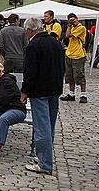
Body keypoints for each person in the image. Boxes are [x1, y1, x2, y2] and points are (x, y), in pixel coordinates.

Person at [21, 16, 65, 175]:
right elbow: (63, 67)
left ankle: (45, 163)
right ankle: (43, 156)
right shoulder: (56, 42)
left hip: (39, 91)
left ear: (29, 30)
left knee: (41, 128)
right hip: (55, 89)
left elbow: (30, 72)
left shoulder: (33, 45)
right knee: (50, 126)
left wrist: (25, 91)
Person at [60, 13, 87, 103]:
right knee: (69, 76)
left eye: (73, 19)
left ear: (77, 19)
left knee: (79, 75)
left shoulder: (81, 28)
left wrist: (69, 25)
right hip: (69, 54)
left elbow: (68, 35)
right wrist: (70, 25)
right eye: (70, 20)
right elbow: (67, 37)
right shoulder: (72, 27)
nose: (72, 21)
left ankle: (83, 95)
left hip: (78, 55)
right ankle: (71, 94)